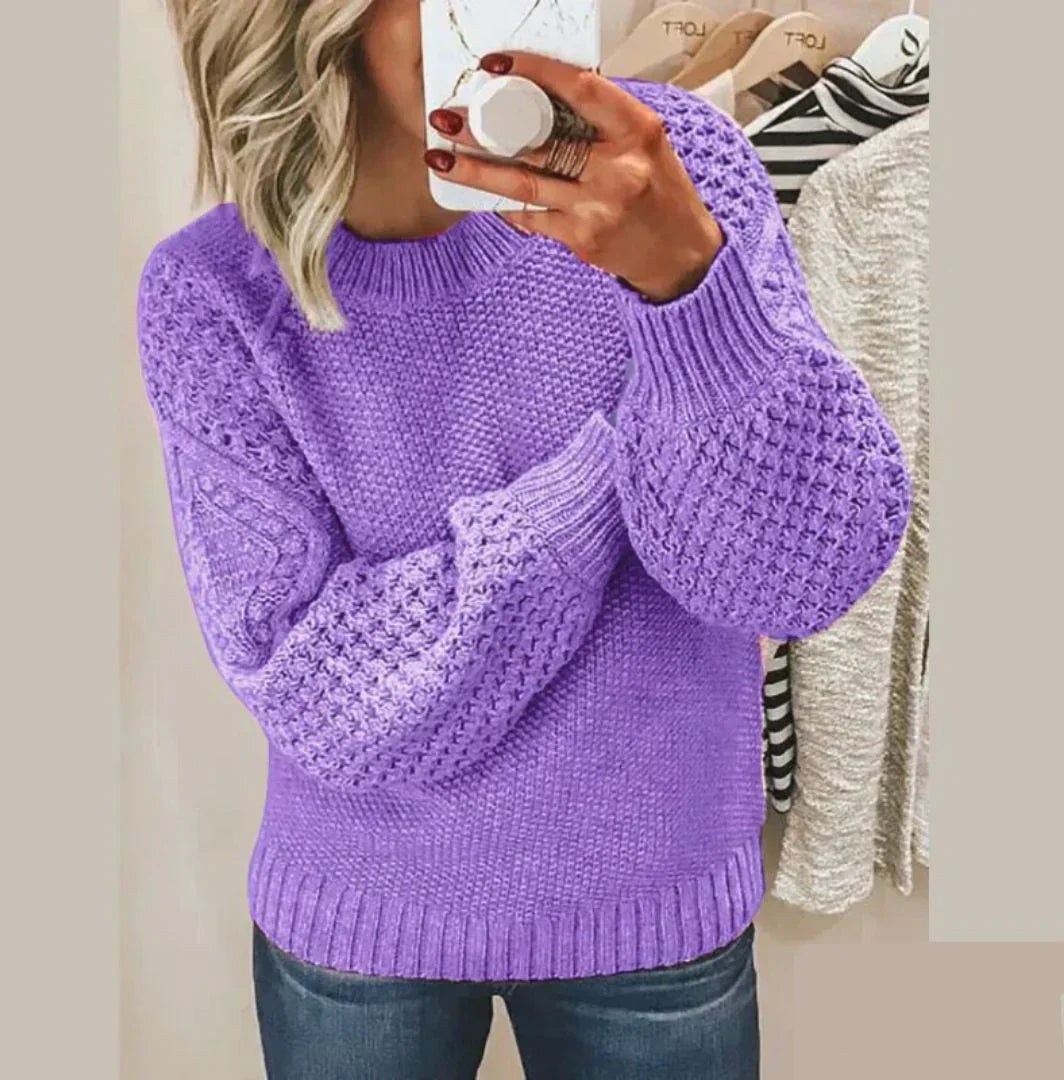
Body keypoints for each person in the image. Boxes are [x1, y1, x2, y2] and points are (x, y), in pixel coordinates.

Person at [135, 1, 913, 1077]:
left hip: (654, 909)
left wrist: (688, 286)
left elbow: (795, 579)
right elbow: (321, 687)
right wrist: (603, 479)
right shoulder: (214, 294)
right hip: (362, 923)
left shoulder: (678, 174)